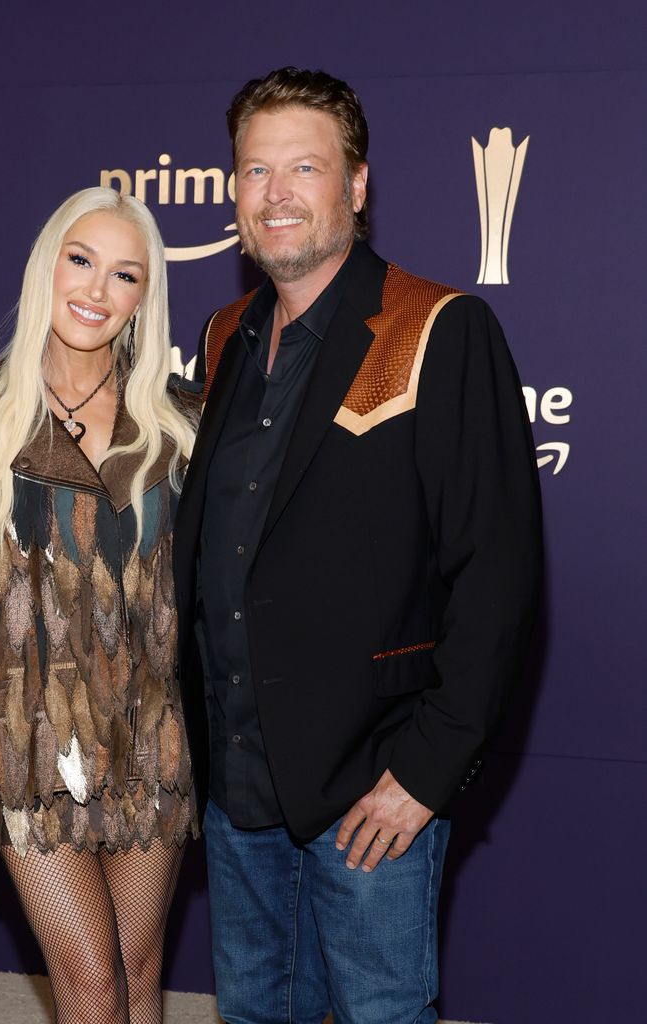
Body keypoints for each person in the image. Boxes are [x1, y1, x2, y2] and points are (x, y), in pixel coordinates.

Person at [173, 67, 543, 1024]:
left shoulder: (436, 328)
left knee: (380, 1014)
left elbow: (495, 576)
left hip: (369, 788)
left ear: (357, 186)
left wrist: (423, 777)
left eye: (305, 167)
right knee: (255, 1014)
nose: (277, 194)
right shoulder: (219, 337)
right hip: (238, 779)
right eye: (255, 172)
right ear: (232, 193)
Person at [0, 186, 198, 1024]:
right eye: (80, 261)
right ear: (44, 268)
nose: (96, 290)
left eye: (124, 275)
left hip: (152, 729)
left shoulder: (181, 428)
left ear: (143, 300)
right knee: (88, 979)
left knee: (136, 966)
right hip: (27, 737)